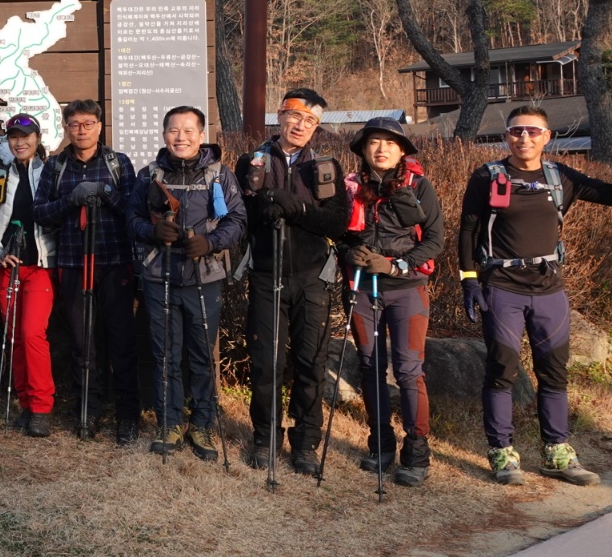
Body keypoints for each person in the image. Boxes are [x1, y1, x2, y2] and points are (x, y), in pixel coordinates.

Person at [457, 105, 612, 487]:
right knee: (502, 370)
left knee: (554, 373)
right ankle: (502, 453)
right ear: (506, 136)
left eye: (533, 131)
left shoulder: (559, 177)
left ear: (547, 137)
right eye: (516, 131)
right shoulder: (487, 176)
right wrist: (469, 281)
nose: (524, 137)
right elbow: (468, 231)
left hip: (549, 290)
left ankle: (557, 453)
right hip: (503, 287)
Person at [235, 88, 349, 474]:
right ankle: (265, 436)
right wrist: (266, 204)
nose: (301, 125)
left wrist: (297, 208)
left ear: (317, 127)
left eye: (311, 121)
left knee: (310, 362)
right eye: (295, 116)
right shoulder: (251, 162)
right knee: (266, 361)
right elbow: (242, 215)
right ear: (280, 115)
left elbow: (337, 223)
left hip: (312, 277)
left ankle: (305, 443)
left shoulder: (325, 167)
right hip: (266, 274)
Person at [128, 105, 246, 461]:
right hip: (159, 274)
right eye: (173, 130)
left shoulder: (219, 174)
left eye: (188, 130)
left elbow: (237, 220)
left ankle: (203, 424)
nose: (180, 137)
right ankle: (169, 422)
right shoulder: (149, 174)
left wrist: (210, 243)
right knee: (164, 353)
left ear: (201, 134)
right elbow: (131, 219)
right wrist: (152, 231)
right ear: (164, 134)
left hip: (204, 275)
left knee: (201, 354)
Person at [339, 117, 443, 486]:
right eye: (373, 142)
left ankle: (416, 450)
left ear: (401, 151)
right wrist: (349, 252)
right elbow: (338, 234)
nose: (381, 149)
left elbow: (435, 240)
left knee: (408, 370)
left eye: (389, 142)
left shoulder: (419, 186)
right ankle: (380, 442)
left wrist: (397, 264)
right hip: (362, 288)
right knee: (370, 366)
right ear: (363, 150)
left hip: (407, 288)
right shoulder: (351, 187)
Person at [33, 100, 139, 444]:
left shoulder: (118, 162)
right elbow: (40, 212)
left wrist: (106, 193)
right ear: (66, 127)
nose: (82, 130)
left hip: (114, 263)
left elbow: (133, 213)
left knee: (121, 341)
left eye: (89, 123)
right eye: (75, 124)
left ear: (100, 126)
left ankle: (127, 415)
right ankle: (87, 411)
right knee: (83, 343)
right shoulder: (56, 166)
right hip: (73, 264)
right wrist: (71, 200)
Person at [0, 114, 58, 438]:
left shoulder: (50, 172)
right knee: (15, 338)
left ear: (37, 138)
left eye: (25, 136)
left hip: (40, 267)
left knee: (32, 333)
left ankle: (41, 408)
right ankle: (26, 405)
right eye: (13, 137)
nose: (20, 142)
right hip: (6, 267)